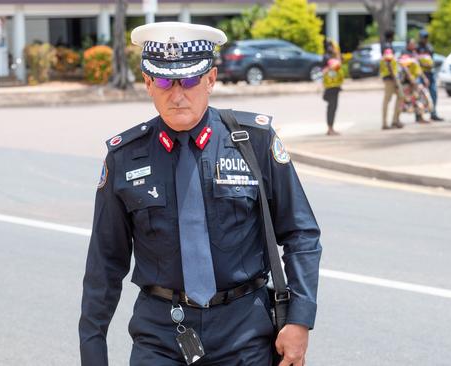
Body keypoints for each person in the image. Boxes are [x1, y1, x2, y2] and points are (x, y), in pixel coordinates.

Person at [79, 22, 322, 366]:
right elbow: (104, 263)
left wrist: (299, 319)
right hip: (160, 335)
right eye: (164, 81)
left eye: (190, 80)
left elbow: (301, 234)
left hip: (244, 334)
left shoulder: (254, 142)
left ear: (211, 79)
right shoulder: (124, 157)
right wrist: (92, 350)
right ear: (148, 83)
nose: (177, 95)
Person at [417, 29, 444, 121]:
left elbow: (432, 61)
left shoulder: (429, 47)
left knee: (433, 94)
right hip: (421, 74)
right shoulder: (417, 48)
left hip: (430, 74)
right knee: (420, 95)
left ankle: (433, 113)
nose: (425, 39)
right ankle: (419, 115)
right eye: (424, 37)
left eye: (426, 37)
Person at [322, 42, 343, 135]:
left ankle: (330, 128)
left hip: (333, 87)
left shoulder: (329, 57)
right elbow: (337, 65)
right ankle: (330, 129)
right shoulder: (328, 58)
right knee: (332, 108)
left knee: (332, 108)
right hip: (331, 88)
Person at [380, 48, 404, 130]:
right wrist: (396, 82)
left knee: (400, 97)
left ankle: (394, 120)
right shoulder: (389, 56)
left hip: (388, 79)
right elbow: (390, 68)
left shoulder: (382, 58)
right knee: (388, 100)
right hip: (391, 80)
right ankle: (386, 122)